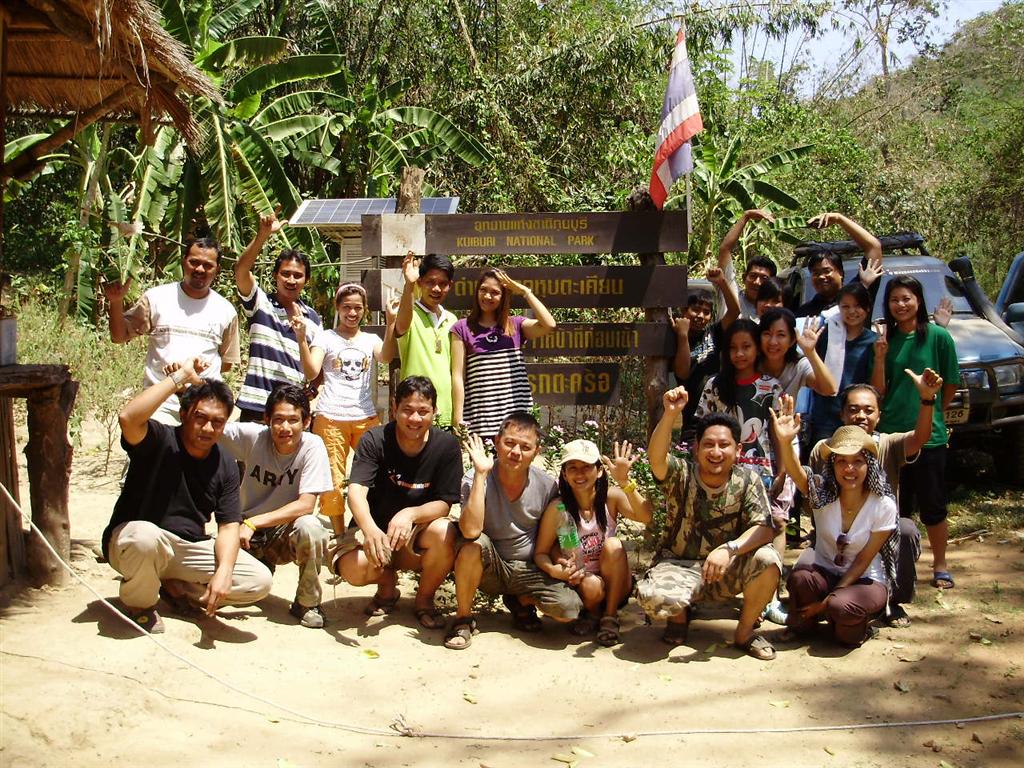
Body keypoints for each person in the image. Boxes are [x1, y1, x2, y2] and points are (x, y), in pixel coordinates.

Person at [102, 358, 272, 633]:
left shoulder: (226, 463)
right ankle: (140, 605)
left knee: (258, 580)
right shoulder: (158, 439)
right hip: (135, 541)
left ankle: (177, 588)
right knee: (145, 537)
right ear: (184, 415)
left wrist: (224, 572)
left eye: (217, 422)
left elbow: (229, 526)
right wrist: (179, 377)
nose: (207, 429)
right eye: (200, 418)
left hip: (186, 549)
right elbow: (128, 418)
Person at [636, 390, 782, 659]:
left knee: (769, 560)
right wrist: (670, 414)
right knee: (654, 600)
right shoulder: (681, 474)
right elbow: (656, 459)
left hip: (727, 569)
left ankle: (745, 632)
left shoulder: (748, 480)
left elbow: (764, 528)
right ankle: (679, 617)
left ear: (738, 450)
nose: (716, 452)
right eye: (708, 444)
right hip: (680, 566)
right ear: (697, 448)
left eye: (724, 445)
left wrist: (730, 549)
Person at [800, 371, 943, 626]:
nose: (861, 416)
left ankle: (893, 602)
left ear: (879, 415)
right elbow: (810, 494)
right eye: (853, 409)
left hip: (877, 533)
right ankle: (824, 603)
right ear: (842, 414)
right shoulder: (824, 448)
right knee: (803, 573)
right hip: (835, 533)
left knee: (906, 530)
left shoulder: (887, 444)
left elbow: (920, 437)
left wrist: (927, 400)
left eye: (869, 410)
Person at [445, 412, 583, 650]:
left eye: (525, 447)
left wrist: (564, 558)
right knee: (472, 546)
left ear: (536, 452)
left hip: (529, 567)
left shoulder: (546, 485)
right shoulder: (475, 477)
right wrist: (480, 474)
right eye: (509, 443)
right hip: (490, 567)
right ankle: (463, 619)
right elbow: (470, 531)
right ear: (497, 442)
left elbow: (558, 527)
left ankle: (520, 599)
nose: (516, 452)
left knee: (568, 610)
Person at [332, 376, 460, 629]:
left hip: (418, 534)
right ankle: (387, 587)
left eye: (423, 411)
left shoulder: (446, 446)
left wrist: (410, 514)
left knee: (445, 532)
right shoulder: (374, 439)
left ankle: (424, 601)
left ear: (434, 411)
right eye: (407, 410)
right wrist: (369, 530)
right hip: (376, 532)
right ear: (394, 407)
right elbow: (356, 491)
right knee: (353, 568)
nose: (415, 418)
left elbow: (444, 504)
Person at [772, 412, 898, 647]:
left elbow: (863, 560)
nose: (849, 469)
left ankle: (856, 626)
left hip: (864, 579)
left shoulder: (883, 505)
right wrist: (786, 442)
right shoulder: (822, 494)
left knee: (841, 610)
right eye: (841, 461)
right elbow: (796, 472)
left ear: (868, 465)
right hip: (824, 572)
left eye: (857, 461)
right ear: (833, 464)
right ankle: (804, 625)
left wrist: (826, 602)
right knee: (800, 579)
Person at [217, 384, 333, 629]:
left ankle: (307, 603)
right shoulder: (254, 437)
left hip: (281, 533)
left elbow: (306, 505)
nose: (285, 427)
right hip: (246, 536)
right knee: (221, 590)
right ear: (267, 419)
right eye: (278, 420)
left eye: (293, 420)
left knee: (311, 527)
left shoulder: (313, 446)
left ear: (306, 421)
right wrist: (186, 390)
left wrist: (253, 523)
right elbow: (211, 426)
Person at [870, 275, 960, 590]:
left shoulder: (939, 337)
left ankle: (940, 565)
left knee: (934, 505)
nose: (901, 305)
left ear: (918, 301)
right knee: (893, 506)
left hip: (929, 436)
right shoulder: (884, 341)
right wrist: (880, 357)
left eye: (906, 298)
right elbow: (877, 392)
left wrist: (930, 412)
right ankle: (895, 568)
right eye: (894, 299)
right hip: (891, 439)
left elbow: (950, 385)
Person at [103, 237, 240, 424]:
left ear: (217, 269)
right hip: (160, 404)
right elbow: (119, 336)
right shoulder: (157, 298)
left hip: (204, 407)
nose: (200, 269)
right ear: (183, 261)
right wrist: (116, 301)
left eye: (207, 265)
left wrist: (193, 377)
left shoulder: (226, 310)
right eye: (194, 262)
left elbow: (226, 364)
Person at [294, 283, 392, 535]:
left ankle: (367, 526)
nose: (352, 313)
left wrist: (391, 323)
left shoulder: (370, 339)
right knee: (333, 480)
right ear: (337, 308)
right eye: (347, 307)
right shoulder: (325, 337)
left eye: (358, 307)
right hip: (330, 418)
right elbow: (312, 372)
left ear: (365, 310)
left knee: (379, 474)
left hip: (365, 417)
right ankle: (339, 535)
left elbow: (387, 356)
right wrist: (302, 339)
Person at [533, 440, 653, 646]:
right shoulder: (558, 509)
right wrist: (554, 570)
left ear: (599, 471)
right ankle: (593, 614)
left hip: (617, 583)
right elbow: (540, 553)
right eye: (573, 468)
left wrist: (625, 482)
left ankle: (610, 616)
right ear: (564, 474)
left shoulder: (611, 498)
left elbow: (645, 517)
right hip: (584, 585)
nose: (580, 474)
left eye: (586, 467)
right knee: (591, 584)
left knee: (613, 545)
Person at [233, 210, 323, 422]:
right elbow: (241, 271)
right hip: (256, 405)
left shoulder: (313, 318)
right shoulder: (260, 303)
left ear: (306, 280)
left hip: (290, 411)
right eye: (285, 273)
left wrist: (312, 390)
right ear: (276, 275)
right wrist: (262, 236)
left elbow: (316, 369)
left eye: (298, 275)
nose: (291, 280)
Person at [451, 268, 556, 437]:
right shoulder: (461, 328)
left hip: (517, 422)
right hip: (481, 421)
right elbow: (458, 376)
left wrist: (525, 292)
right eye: (483, 290)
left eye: (495, 292)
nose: (487, 296)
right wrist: (458, 419)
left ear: (503, 297)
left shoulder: (516, 325)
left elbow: (549, 325)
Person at [391, 252, 458, 425]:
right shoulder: (409, 314)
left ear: (450, 285)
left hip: (446, 412)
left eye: (442, 284)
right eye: (430, 282)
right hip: (415, 413)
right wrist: (409, 284)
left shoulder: (452, 320)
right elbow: (401, 326)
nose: (436, 289)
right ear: (420, 282)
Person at [672, 267, 740, 432]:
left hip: (718, 409)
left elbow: (734, 311)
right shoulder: (675, 338)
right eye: (695, 310)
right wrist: (682, 335)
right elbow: (682, 373)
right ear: (684, 310)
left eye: (706, 312)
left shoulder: (714, 333)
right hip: (692, 416)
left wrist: (722, 282)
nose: (701, 316)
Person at [809, 283, 878, 444]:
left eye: (857, 306)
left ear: (867, 308)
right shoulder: (824, 335)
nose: (852, 311)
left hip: (858, 418)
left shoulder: (874, 342)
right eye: (846, 306)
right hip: (826, 416)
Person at [795, 213, 883, 318]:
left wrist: (839, 218)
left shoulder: (861, 291)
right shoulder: (804, 313)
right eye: (816, 273)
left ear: (840, 273)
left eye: (827, 271)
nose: (822, 276)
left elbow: (874, 247)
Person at [758, 307, 838, 399]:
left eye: (781, 335)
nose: (773, 342)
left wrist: (811, 353)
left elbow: (830, 390)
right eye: (767, 334)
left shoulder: (799, 365)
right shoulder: (751, 361)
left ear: (792, 340)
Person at [717, 208, 778, 319]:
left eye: (764, 278)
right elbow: (725, 249)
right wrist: (746, 216)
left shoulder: (774, 314)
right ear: (744, 278)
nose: (757, 282)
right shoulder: (732, 296)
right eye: (753, 276)